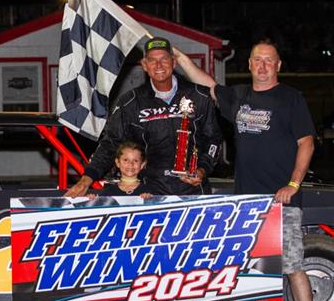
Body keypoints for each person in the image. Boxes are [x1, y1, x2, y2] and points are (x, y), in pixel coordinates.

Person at [175, 40, 321, 301]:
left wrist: (293, 185)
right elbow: (207, 83)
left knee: (293, 265)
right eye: (258, 60)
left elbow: (306, 143)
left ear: (278, 65)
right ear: (250, 64)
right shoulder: (239, 96)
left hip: (283, 201)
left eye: (270, 60)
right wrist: (180, 58)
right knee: (258, 268)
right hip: (248, 203)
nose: (264, 65)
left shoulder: (291, 98)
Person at [64, 38, 221, 198]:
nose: (159, 66)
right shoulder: (130, 102)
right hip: (149, 194)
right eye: (152, 60)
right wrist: (86, 179)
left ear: (174, 63)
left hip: (194, 192)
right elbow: (111, 144)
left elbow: (213, 140)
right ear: (144, 65)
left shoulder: (199, 95)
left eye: (164, 59)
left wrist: (202, 169)